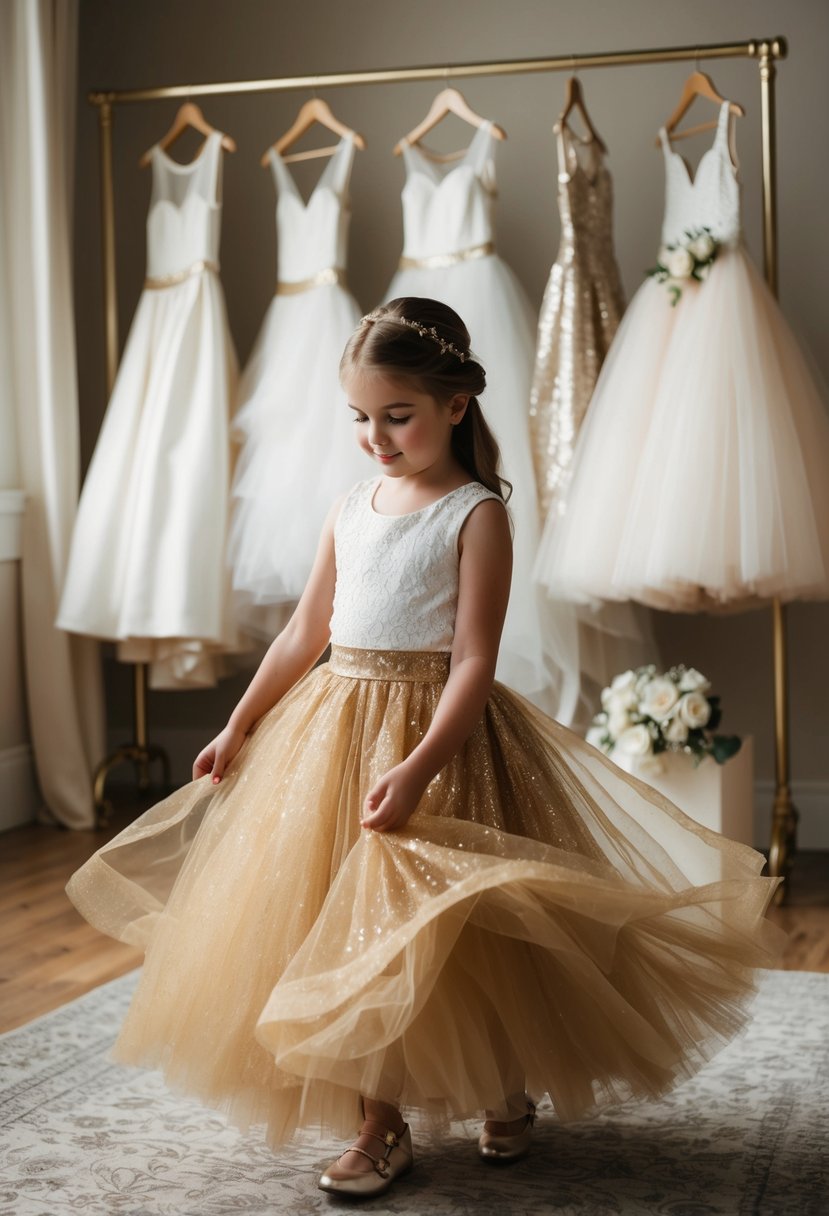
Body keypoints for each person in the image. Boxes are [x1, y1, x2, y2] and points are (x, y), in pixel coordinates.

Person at [66, 297, 783, 1201]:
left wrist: (418, 765)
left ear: (453, 404)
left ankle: (501, 1085)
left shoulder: (475, 513)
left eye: (395, 415)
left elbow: (475, 659)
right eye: (360, 418)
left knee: (464, 938)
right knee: (341, 924)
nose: (375, 436)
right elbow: (303, 634)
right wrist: (240, 721)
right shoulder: (350, 505)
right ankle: (379, 1121)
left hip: (438, 740)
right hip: (331, 731)